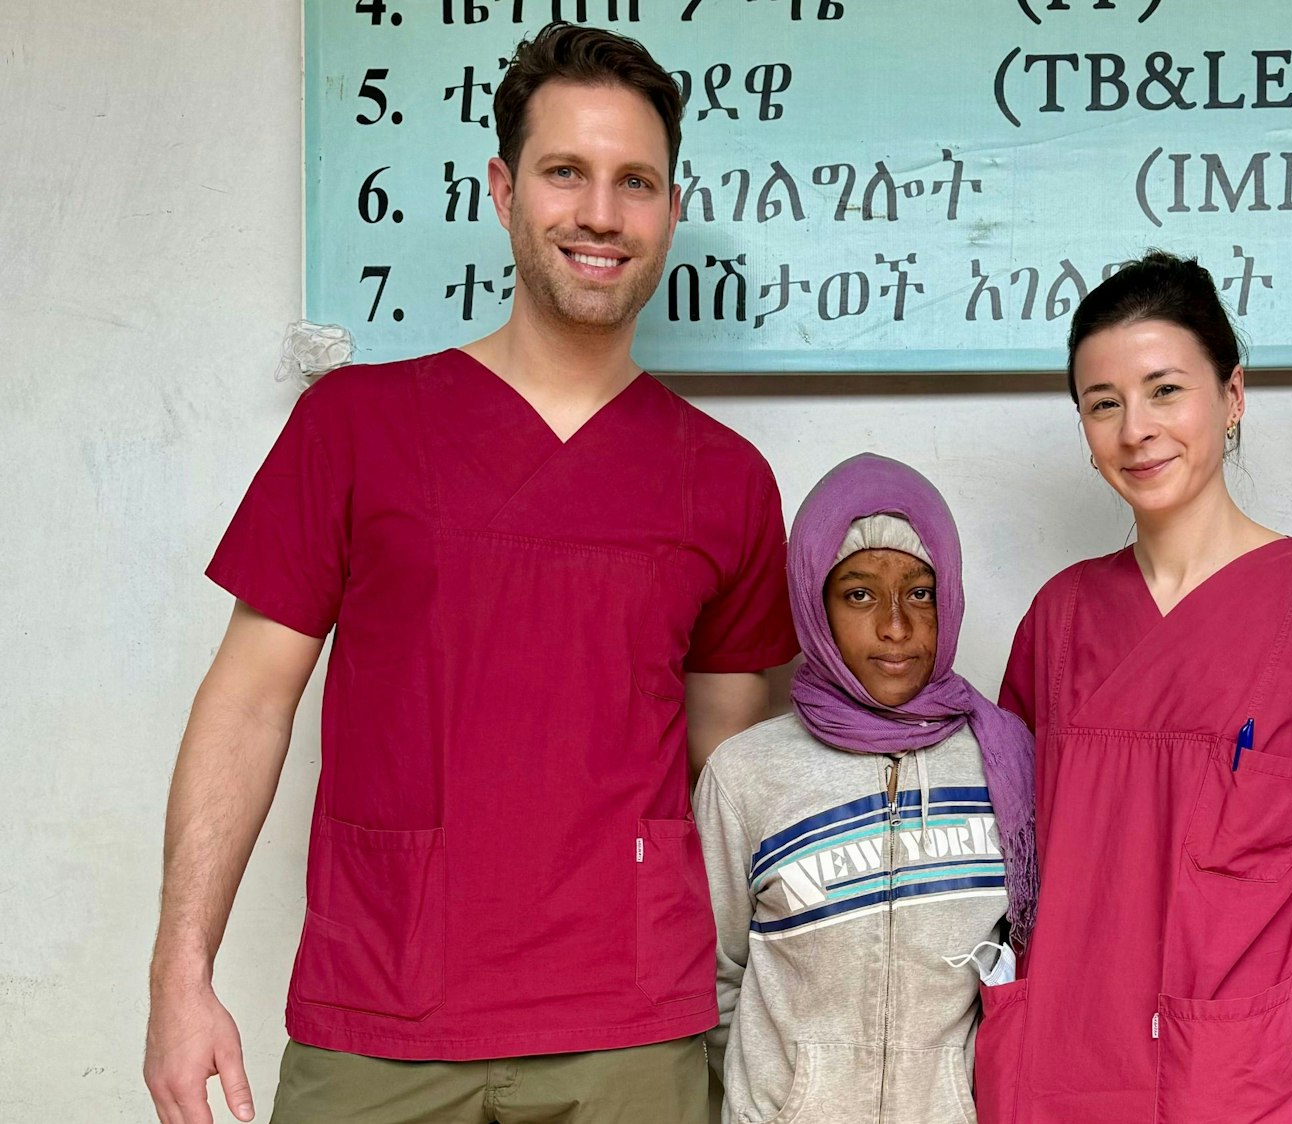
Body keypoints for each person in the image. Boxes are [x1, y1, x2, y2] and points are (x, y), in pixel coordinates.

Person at [142, 23, 797, 1124]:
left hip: (630, 1032)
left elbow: (728, 770)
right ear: (502, 190)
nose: (599, 212)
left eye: (634, 181)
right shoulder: (355, 427)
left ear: (672, 208)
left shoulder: (725, 481)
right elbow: (250, 701)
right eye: (564, 173)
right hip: (382, 1015)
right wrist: (179, 968)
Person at [986, 252, 1292, 1124]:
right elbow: (1019, 867)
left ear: (1232, 396)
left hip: (1247, 1079)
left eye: (1164, 390)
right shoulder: (1059, 619)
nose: (1135, 429)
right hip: (1063, 1068)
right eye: (1102, 404)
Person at [695, 452, 1036, 1123]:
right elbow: (714, 975)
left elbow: (1032, 966)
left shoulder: (1003, 763)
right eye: (858, 594)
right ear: (813, 608)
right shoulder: (745, 774)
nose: (895, 626)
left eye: (920, 592)